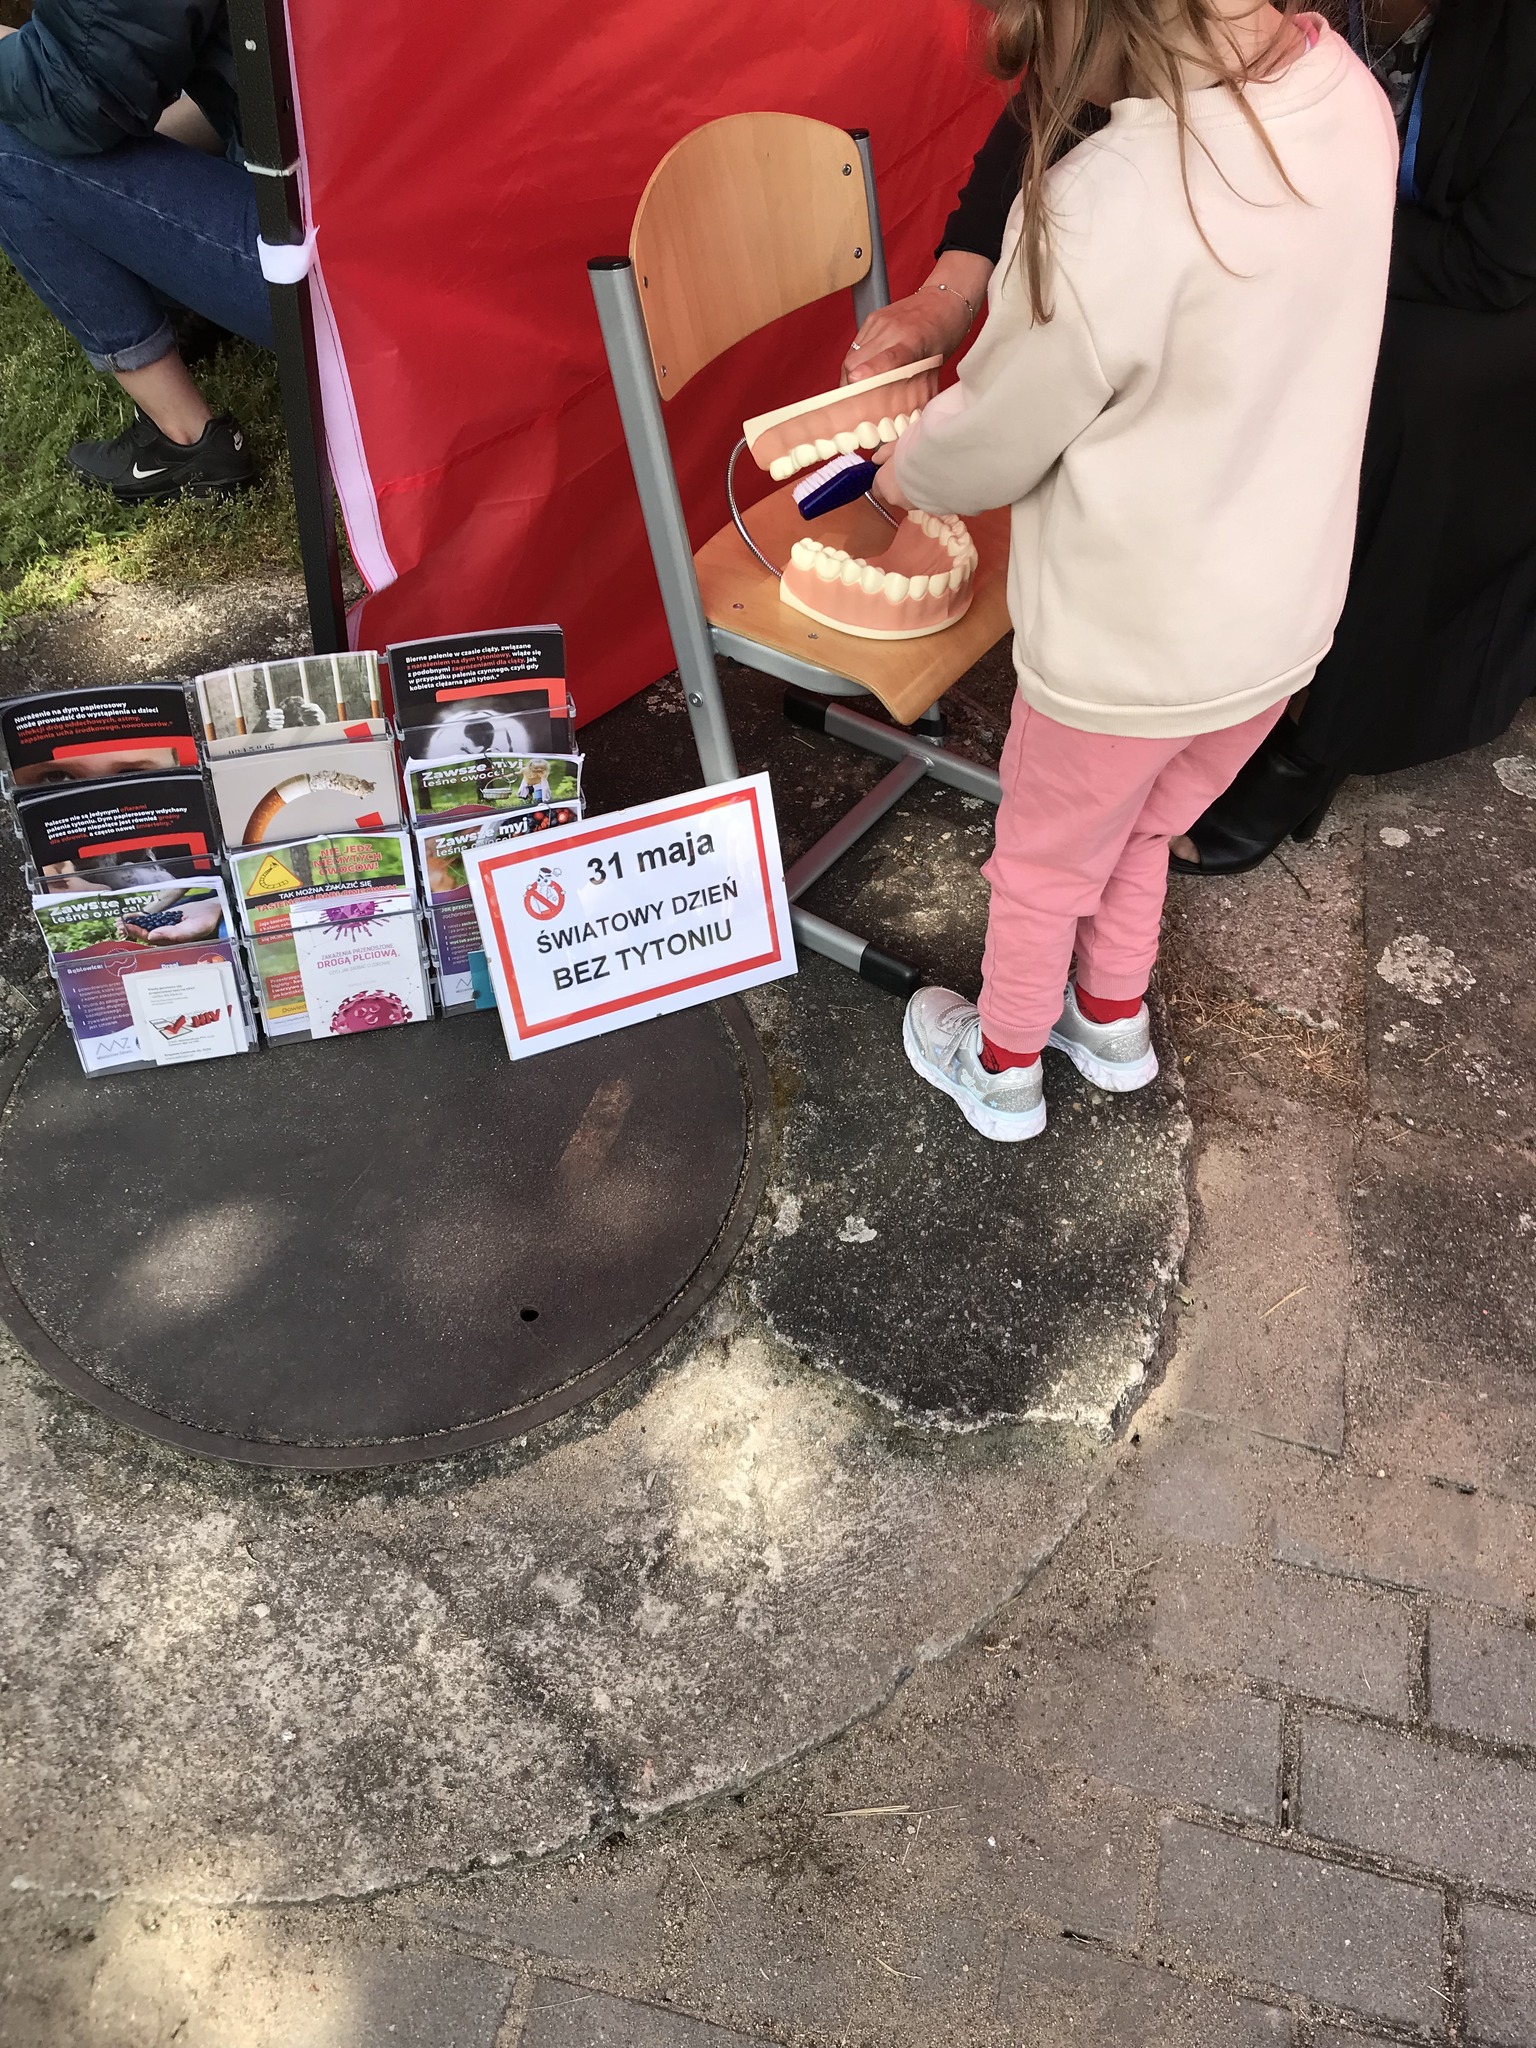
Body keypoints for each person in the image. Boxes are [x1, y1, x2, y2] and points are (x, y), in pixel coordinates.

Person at [872, 0, 1396, 1143]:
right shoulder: (1352, 98)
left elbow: (998, 432)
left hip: (1124, 649)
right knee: (1147, 827)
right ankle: (1111, 1020)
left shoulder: (1104, 202)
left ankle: (1003, 1064)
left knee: (1042, 862)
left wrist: (906, 470)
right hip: (1278, 631)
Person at [1168, 0, 1536, 871]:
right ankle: (1203, 655)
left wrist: (1300, 232)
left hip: (1480, 287)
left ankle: (1318, 731)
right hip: (1323, 234)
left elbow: (1495, 263)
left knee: (1404, 384)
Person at [0, 0, 270, 502]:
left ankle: (185, 439)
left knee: (7, 139)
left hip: (338, 273)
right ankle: (191, 298)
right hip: (401, 211)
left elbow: (67, 96)